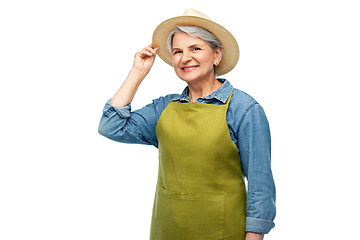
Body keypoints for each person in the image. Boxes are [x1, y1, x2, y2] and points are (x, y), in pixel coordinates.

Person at [98, 8, 276, 240]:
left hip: (223, 232)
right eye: (177, 51)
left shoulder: (244, 109)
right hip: (168, 230)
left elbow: (260, 186)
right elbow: (110, 126)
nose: (185, 58)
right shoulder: (164, 108)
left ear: (217, 55)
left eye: (196, 49)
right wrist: (138, 71)